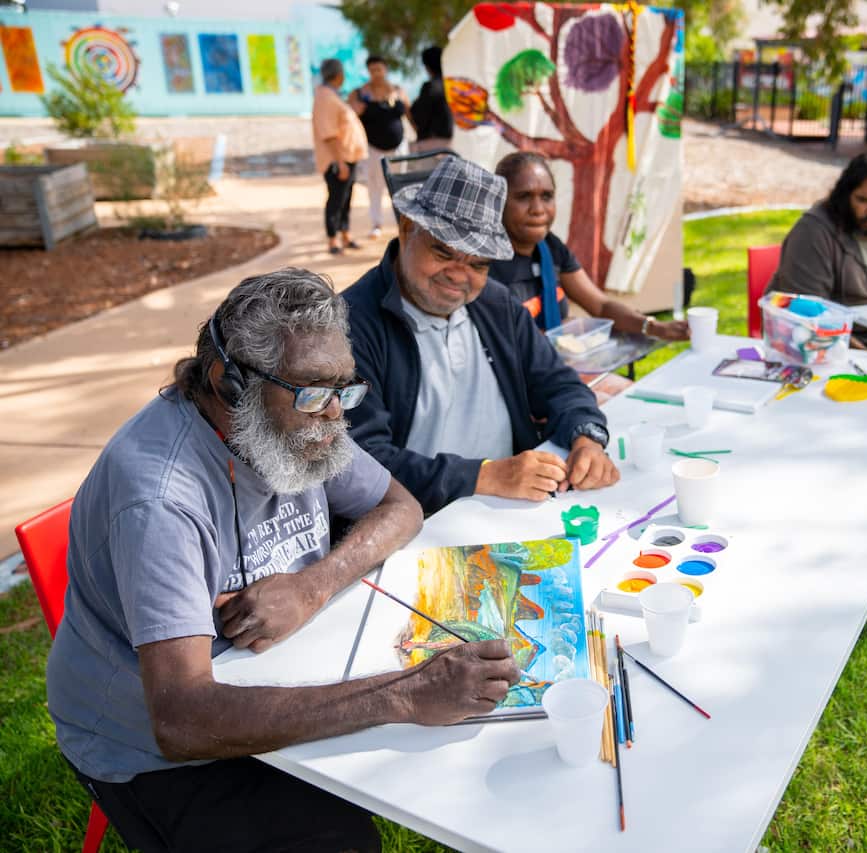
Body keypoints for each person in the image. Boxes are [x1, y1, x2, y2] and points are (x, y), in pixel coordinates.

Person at [45, 269, 520, 852]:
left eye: (346, 391)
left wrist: (310, 588)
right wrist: (400, 696)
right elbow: (181, 720)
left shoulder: (302, 419)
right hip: (154, 747)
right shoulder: (161, 499)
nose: (336, 419)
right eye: (316, 393)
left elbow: (401, 507)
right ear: (229, 382)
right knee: (343, 844)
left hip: (269, 672)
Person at [344, 156, 619, 517]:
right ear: (408, 229)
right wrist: (483, 476)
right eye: (444, 251)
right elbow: (360, 462)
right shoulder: (348, 325)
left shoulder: (494, 303)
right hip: (411, 524)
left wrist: (586, 436)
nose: (459, 275)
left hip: (512, 509)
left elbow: (557, 383)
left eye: (478, 264)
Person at [491, 150, 688, 340]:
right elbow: (505, 341)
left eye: (546, 196)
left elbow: (601, 306)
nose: (538, 209)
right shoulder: (486, 265)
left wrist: (654, 327)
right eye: (524, 197)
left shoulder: (549, 248)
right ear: (498, 202)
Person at [767, 150, 867, 350]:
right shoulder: (813, 231)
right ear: (846, 196)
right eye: (863, 200)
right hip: (816, 343)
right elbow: (805, 316)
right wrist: (866, 356)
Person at [312, 58, 369, 255]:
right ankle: (332, 239)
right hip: (337, 160)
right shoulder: (326, 98)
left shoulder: (331, 95)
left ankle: (345, 234)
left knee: (345, 198)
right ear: (339, 75)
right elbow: (329, 134)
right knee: (336, 199)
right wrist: (340, 162)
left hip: (347, 157)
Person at [349, 55, 409, 240]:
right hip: (373, 148)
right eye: (372, 70)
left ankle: (402, 223)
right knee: (374, 185)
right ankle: (377, 223)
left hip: (398, 147)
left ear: (386, 69)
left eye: (379, 69)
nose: (376, 73)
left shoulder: (397, 90)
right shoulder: (360, 93)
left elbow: (408, 110)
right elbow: (350, 114)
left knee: (399, 185)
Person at [409, 46, 453, 153]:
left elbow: (419, 117)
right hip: (452, 143)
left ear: (427, 66)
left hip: (431, 144)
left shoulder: (430, 87)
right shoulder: (453, 85)